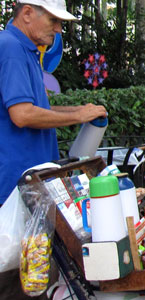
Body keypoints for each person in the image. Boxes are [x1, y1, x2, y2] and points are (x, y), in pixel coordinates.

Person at [0, 0, 107, 204]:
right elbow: (22, 114)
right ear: (28, 13)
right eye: (53, 20)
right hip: (16, 186)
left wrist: (79, 110)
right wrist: (77, 116)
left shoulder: (24, 49)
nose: (58, 29)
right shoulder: (11, 48)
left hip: (32, 183)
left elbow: (37, 108)